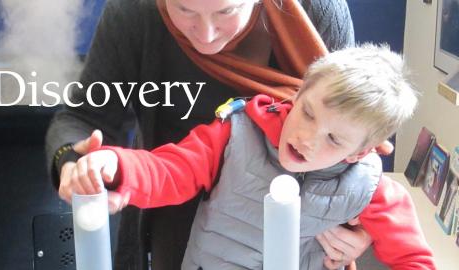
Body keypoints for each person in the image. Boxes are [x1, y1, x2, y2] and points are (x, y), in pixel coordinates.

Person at [46, 0, 378, 269]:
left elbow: (354, 123)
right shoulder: (133, 13)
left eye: (226, 11)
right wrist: (73, 162)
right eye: (184, 9)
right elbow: (82, 116)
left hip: (297, 226)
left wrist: (361, 232)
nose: (205, 34)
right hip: (174, 213)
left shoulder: (316, 10)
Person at [69, 44, 436, 269]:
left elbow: (414, 259)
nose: (308, 138)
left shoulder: (370, 187)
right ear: (299, 92)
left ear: (360, 152)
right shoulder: (237, 133)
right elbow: (172, 169)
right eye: (307, 112)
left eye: (334, 139)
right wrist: (117, 165)